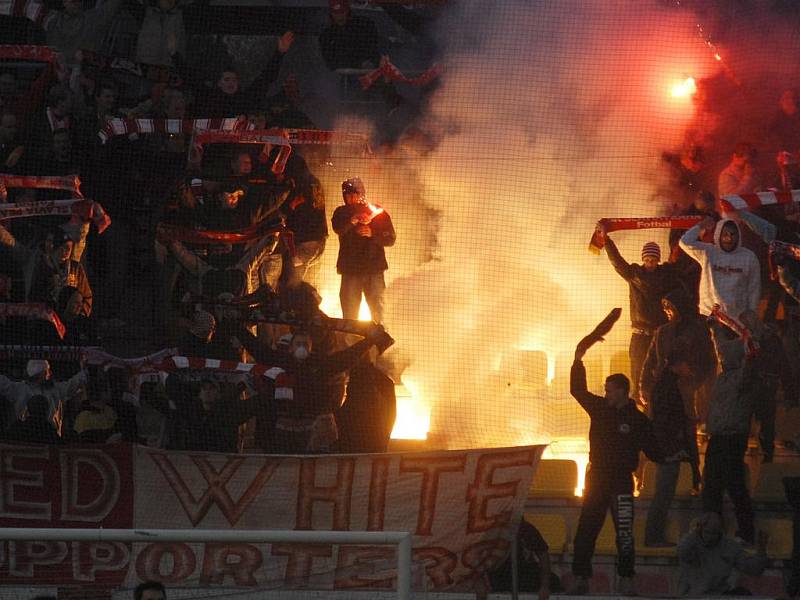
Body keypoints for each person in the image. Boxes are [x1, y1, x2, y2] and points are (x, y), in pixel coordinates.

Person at [569, 311, 664, 595]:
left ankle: (626, 580)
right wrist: (578, 357)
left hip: (623, 482)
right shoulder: (599, 409)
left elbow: (654, 450)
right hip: (596, 479)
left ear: (623, 391)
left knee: (624, 533)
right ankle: (581, 580)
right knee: (586, 531)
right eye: (606, 390)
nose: (606, 394)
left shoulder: (638, 419)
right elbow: (577, 390)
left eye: (610, 390)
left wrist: (674, 453)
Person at [598, 224, 682, 397]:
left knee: (661, 377)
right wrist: (606, 240)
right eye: (648, 259)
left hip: (660, 335)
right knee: (638, 377)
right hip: (640, 335)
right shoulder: (634, 275)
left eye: (653, 259)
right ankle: (639, 411)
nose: (650, 263)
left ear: (658, 260)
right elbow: (617, 261)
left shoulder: (667, 275)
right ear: (643, 259)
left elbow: (681, 261)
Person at [703, 317, 758, 545]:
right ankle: (710, 530)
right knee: (712, 487)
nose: (721, 357)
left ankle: (746, 532)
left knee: (735, 485)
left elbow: (750, 364)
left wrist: (751, 345)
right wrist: (715, 327)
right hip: (717, 437)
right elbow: (720, 346)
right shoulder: (723, 376)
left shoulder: (743, 378)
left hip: (733, 438)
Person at [643, 348, 700, 547]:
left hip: (667, 447)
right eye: (687, 364)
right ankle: (653, 537)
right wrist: (674, 447)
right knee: (663, 495)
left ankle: (654, 536)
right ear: (680, 363)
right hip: (669, 450)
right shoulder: (668, 387)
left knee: (663, 495)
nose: (689, 368)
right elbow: (666, 421)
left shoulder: (664, 384)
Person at [679, 210, 775, 319]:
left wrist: (752, 314)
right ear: (718, 234)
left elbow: (754, 288)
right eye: (725, 234)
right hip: (709, 315)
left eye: (732, 234)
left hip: (738, 318)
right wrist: (701, 226)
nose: (729, 238)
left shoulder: (748, 257)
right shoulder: (707, 252)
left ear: (738, 235)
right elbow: (684, 242)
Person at [331, 177, 396, 323]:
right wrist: (353, 220)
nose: (352, 198)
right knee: (350, 315)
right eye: (348, 195)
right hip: (350, 271)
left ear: (362, 194)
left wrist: (372, 233)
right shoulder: (341, 213)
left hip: (374, 270)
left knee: (380, 313)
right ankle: (351, 342)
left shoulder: (378, 213)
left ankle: (380, 342)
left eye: (355, 194)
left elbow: (390, 238)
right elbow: (338, 229)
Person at [677, 512, 768, 597]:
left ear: (721, 530)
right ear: (700, 530)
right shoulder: (691, 543)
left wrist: (761, 551)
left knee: (743, 593)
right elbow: (683, 551)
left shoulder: (730, 546)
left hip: (719, 595)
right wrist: (694, 533)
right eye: (707, 532)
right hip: (692, 595)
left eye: (714, 533)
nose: (710, 537)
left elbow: (753, 569)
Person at [0, 359, 86, 436]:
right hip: (28, 435)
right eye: (47, 370)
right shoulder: (19, 389)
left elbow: (74, 383)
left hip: (49, 435)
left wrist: (84, 370)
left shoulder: (56, 389)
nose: (50, 373)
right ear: (40, 374)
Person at [479, 520, 561, 600]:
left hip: (525, 577)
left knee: (555, 581)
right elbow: (478, 556)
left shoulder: (526, 529)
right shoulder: (492, 529)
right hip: (500, 578)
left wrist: (545, 586)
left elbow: (543, 556)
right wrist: (482, 581)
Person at [319, 0, 381, 71]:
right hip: (343, 76)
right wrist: (357, 64)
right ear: (331, 14)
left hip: (372, 71)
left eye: (342, 12)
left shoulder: (364, 25)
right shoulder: (326, 35)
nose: (339, 17)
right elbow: (331, 61)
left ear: (348, 11)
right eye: (336, 13)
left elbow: (373, 48)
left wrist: (369, 62)